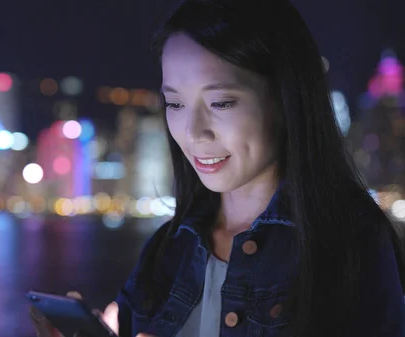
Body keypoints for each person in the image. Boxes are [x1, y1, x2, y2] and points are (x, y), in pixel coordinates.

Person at [29, 0, 405, 336]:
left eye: (222, 103)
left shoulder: (351, 244)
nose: (193, 133)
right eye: (174, 104)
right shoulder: (169, 247)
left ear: (284, 99)